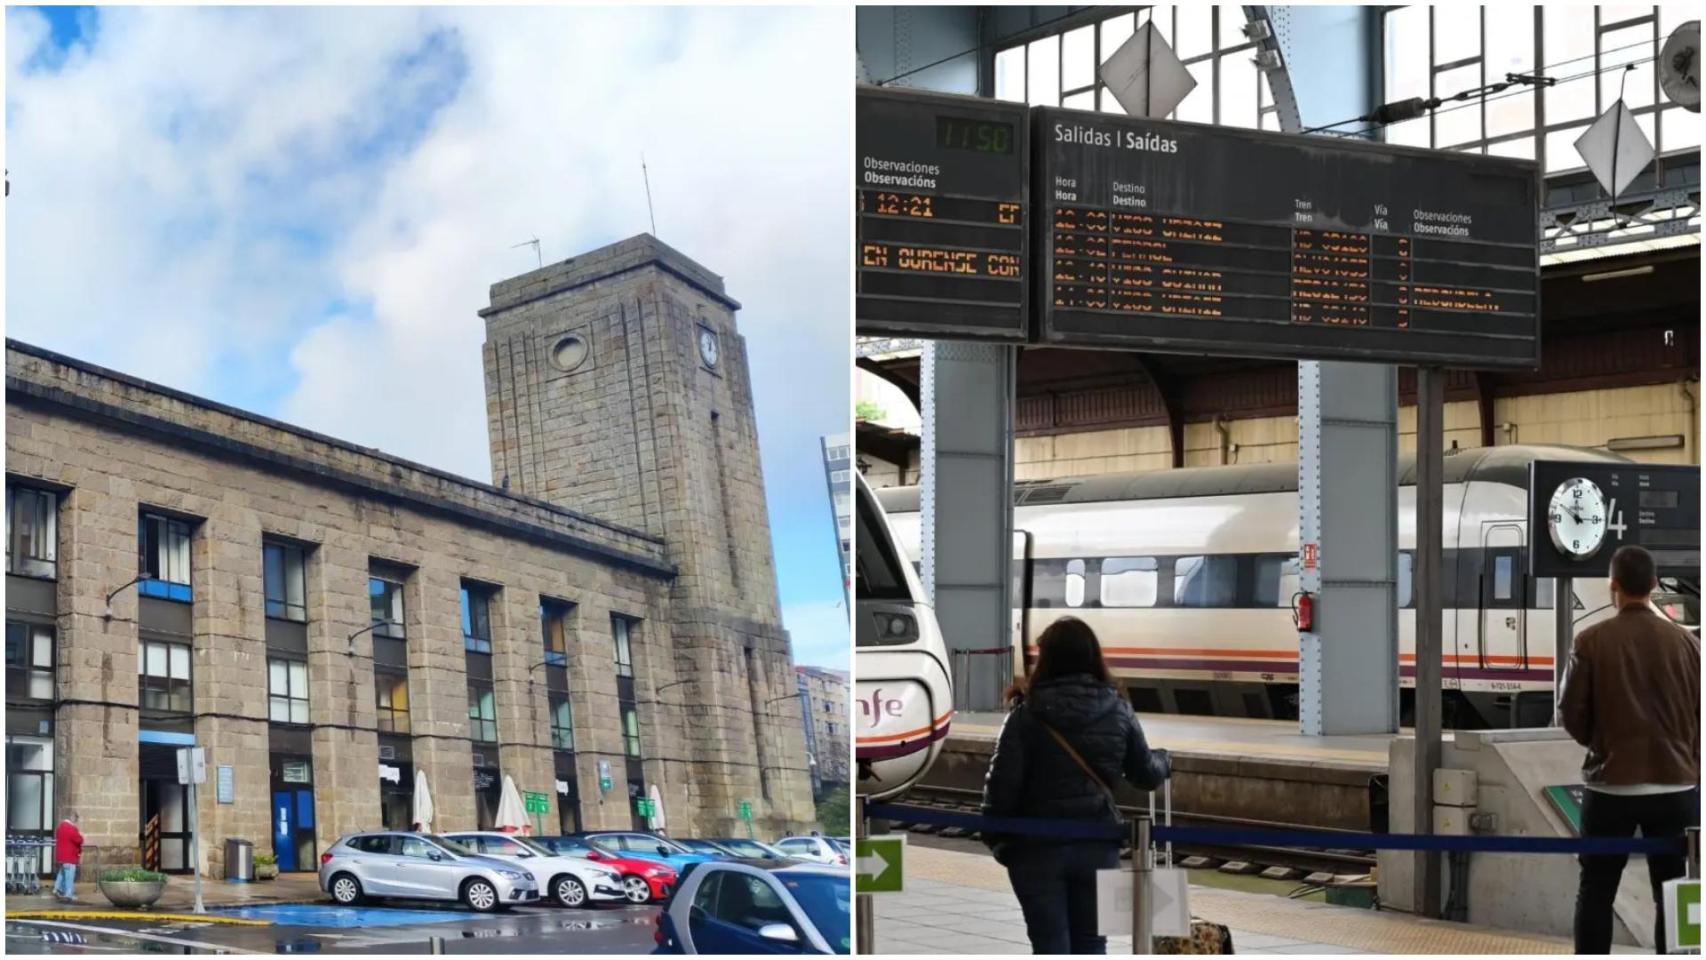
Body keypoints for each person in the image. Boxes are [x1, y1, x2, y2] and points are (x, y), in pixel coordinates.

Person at [981, 616, 1171, 954]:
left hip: (1035, 849)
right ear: (1093, 657)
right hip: (1097, 843)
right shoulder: (1118, 709)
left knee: (1049, 944)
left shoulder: (1025, 714)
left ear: (1047, 659)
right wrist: (1165, 761)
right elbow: (1145, 773)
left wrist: (1001, 844)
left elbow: (1001, 788)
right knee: (1091, 943)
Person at [1560, 545, 1700, 954]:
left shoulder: (1590, 641)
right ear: (1654, 585)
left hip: (1610, 789)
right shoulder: (1689, 645)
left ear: (1613, 586)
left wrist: (1603, 745)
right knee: (1673, 893)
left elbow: (1571, 714)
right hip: (1676, 789)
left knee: (1596, 891)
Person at [53, 811, 84, 902]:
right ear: (73, 818)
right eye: (76, 820)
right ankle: (68, 894)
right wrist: (81, 837)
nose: (76, 822)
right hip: (69, 857)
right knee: (69, 876)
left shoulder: (60, 827)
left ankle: (57, 889)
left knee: (62, 874)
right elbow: (79, 840)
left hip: (61, 856)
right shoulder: (71, 828)